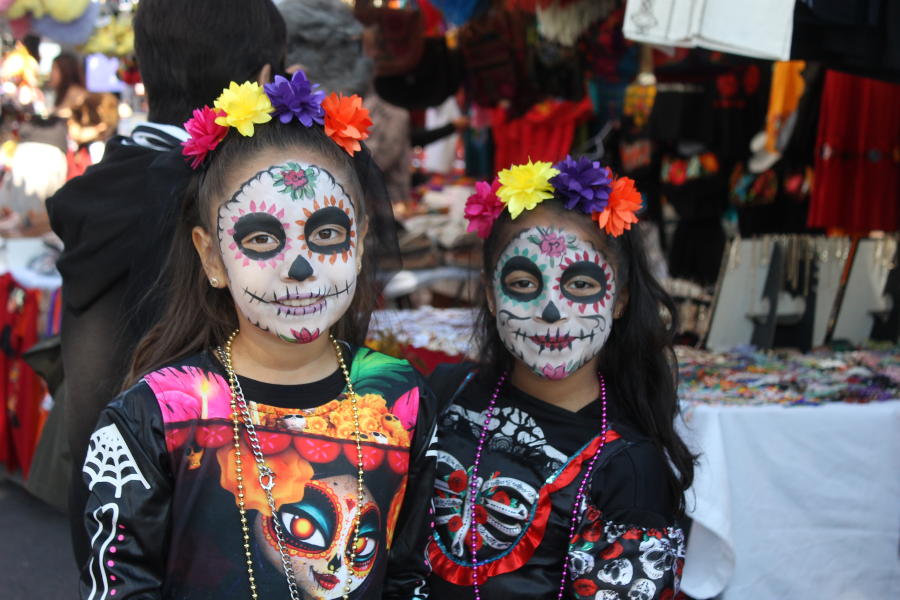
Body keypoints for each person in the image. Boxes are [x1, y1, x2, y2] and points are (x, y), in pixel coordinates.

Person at [78, 74, 435, 599]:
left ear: (359, 245)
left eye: (327, 235)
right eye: (263, 238)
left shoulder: (400, 400)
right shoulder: (159, 416)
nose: (299, 267)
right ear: (211, 257)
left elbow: (411, 575)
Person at [45, 0, 288, 566]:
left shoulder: (108, 182)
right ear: (263, 80)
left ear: (144, 68)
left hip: (110, 518)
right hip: (220, 525)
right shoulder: (229, 202)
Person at [426, 157, 695, 599]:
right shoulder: (447, 391)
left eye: (581, 286)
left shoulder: (629, 467)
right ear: (492, 296)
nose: (551, 311)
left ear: (620, 300)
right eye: (523, 283)